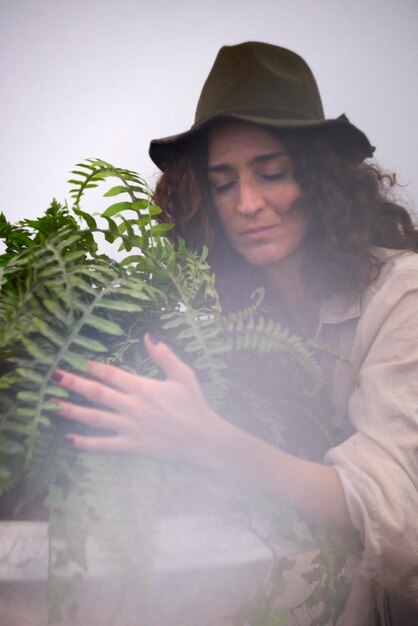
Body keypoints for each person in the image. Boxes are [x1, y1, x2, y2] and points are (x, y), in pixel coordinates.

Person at [51, 42, 418, 624]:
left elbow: (393, 513)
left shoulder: (403, 297)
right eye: (223, 183)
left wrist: (203, 439)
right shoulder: (213, 319)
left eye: (272, 173)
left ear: (322, 181)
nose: (248, 203)